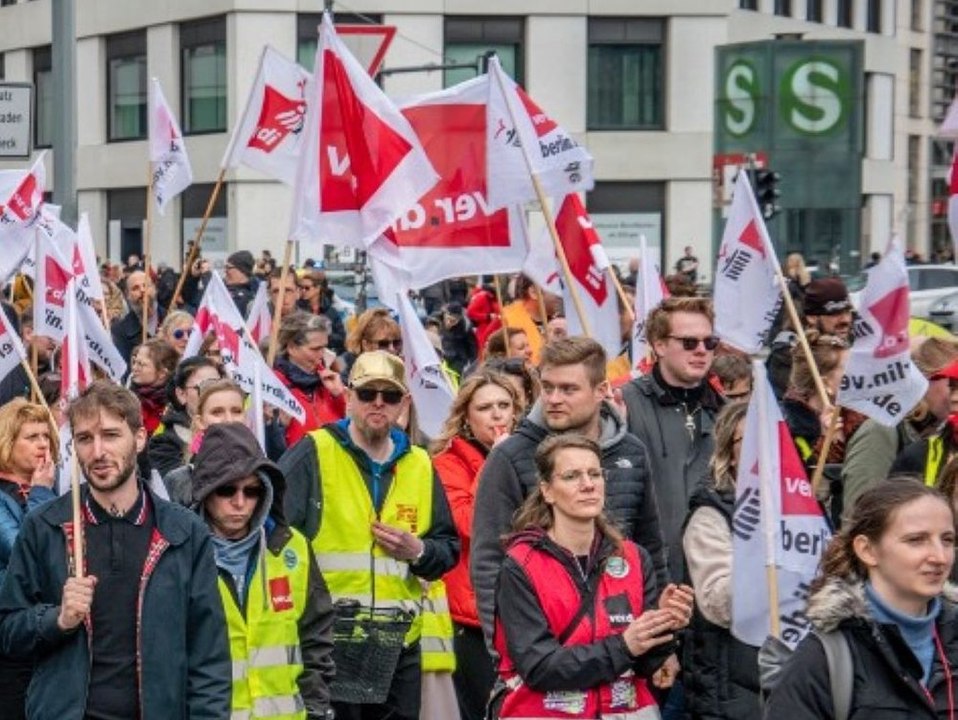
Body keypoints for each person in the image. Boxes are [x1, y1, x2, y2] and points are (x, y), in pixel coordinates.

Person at [0, 381, 231, 719]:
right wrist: (57, 619)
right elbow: (8, 631)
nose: (97, 452)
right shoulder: (44, 526)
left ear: (138, 439)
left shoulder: (182, 531)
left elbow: (208, 654)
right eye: (84, 439)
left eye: (110, 435)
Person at [280, 351, 460, 720]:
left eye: (390, 395)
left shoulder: (420, 463)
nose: (378, 403)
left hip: (397, 648)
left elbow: (447, 550)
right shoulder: (314, 451)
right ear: (348, 397)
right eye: (367, 394)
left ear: (404, 404)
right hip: (330, 644)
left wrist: (419, 550)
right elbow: (277, 536)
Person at [472, 337, 669, 649]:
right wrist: (503, 650)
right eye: (547, 387)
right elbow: (488, 563)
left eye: (568, 389)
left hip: (624, 643)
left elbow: (651, 548)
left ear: (601, 390)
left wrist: (659, 646)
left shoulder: (631, 451)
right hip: (543, 644)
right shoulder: (510, 457)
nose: (553, 398)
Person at [493, 434, 695, 720]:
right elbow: (539, 666)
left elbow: (646, 663)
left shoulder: (634, 558)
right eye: (572, 476)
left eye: (595, 474)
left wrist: (664, 624)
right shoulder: (521, 564)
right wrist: (624, 645)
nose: (588, 485)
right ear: (547, 490)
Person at [764, 478, 958, 718]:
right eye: (916, 540)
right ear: (867, 550)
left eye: (947, 540)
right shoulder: (825, 657)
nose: (940, 556)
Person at [191, 422, 336, 720]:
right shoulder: (182, 555)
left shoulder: (293, 548)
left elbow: (316, 639)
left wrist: (317, 708)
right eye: (227, 489)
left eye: (253, 490)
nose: (240, 502)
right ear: (205, 491)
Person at [431, 371, 523, 720]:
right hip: (470, 615)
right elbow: (471, 524)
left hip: (522, 609)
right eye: (485, 407)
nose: (498, 415)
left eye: (505, 405)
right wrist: (496, 466)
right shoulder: (445, 464)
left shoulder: (533, 454)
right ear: (466, 417)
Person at [620, 296, 725, 582]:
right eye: (689, 342)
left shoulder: (728, 414)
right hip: (648, 574)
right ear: (660, 345)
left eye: (710, 342)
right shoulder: (625, 404)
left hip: (711, 577)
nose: (701, 351)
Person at [680, 401, 761, 720]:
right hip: (732, 689)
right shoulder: (711, 514)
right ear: (730, 453)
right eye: (751, 441)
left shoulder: (799, 512)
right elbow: (718, 604)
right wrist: (768, 556)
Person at [842, 338, 958, 515]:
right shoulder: (882, 430)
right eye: (952, 384)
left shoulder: (944, 433)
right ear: (923, 381)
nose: (955, 395)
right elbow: (859, 512)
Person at [0, 400, 58, 720]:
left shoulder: (49, 488)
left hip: (44, 629)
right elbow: (27, 553)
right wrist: (41, 496)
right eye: (31, 437)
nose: (42, 444)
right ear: (8, 442)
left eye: (45, 436)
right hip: (10, 638)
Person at [274, 312, 347, 448]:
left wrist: (339, 396)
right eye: (315, 349)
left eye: (324, 347)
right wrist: (279, 426)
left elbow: (350, 430)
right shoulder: (273, 385)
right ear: (292, 348)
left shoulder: (331, 381)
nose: (322, 355)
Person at [147, 356, 224, 478]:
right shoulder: (163, 444)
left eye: (219, 386)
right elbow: (180, 490)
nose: (213, 393)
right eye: (205, 387)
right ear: (181, 394)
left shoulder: (241, 433)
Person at [129, 338, 179, 436]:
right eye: (134, 362)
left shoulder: (175, 405)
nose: (134, 368)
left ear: (162, 373)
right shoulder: (127, 399)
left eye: (141, 364)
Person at [500, 275, 551, 365]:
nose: (561, 293)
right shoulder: (505, 322)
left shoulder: (566, 319)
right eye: (555, 288)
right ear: (534, 292)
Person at [111, 269, 155, 367]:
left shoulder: (170, 319)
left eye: (146, 286)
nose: (142, 290)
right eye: (136, 288)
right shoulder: (120, 330)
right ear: (128, 295)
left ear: (154, 288)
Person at [297, 269, 347, 354]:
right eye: (301, 288)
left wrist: (323, 335)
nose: (303, 291)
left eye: (307, 288)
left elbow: (342, 338)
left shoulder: (331, 311)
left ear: (318, 288)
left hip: (328, 353)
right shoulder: (297, 309)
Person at [224, 250, 259, 317]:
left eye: (228, 268)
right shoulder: (222, 288)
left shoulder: (245, 298)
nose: (225, 271)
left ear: (242, 271)